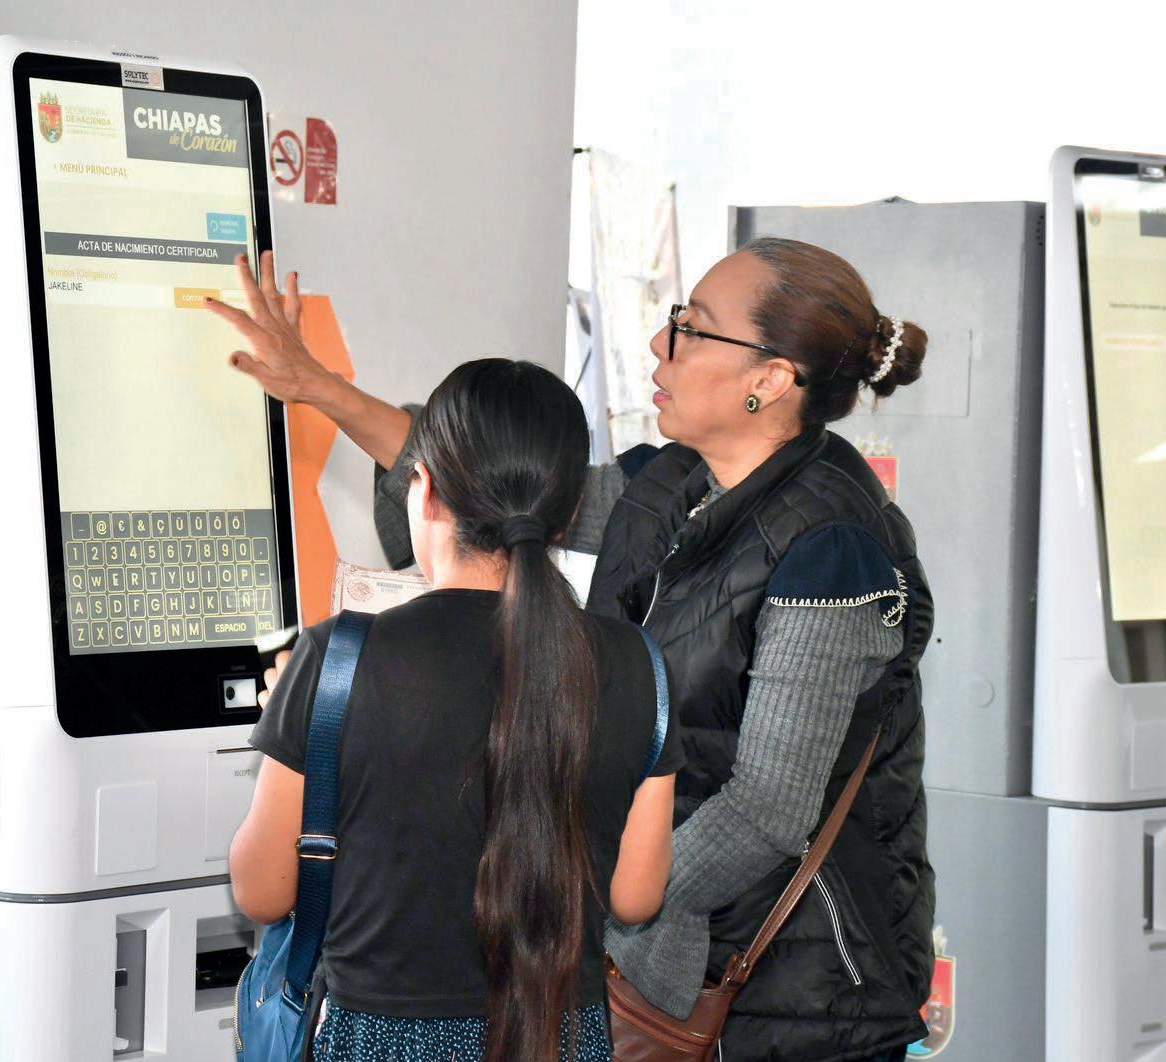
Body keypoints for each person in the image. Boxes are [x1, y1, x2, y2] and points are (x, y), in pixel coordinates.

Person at [211, 242, 935, 1062]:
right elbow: (504, 489)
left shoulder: (833, 548)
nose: (659, 345)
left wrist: (579, 896)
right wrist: (320, 388)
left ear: (768, 379)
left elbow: (768, 809)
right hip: (652, 953)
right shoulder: (673, 484)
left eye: (693, 329)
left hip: (795, 995)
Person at [227, 356, 682, 1062]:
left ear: (428, 490)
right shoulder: (636, 664)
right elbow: (636, 897)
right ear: (566, 517)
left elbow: (262, 891)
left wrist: (298, 718)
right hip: (561, 1036)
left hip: (379, 1039)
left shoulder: (336, 660)